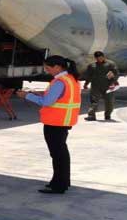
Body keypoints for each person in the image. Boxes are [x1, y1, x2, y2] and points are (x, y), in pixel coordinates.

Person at [17, 55, 81, 194]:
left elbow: (47, 102)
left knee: (57, 155)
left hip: (55, 122)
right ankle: (62, 181)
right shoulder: (70, 79)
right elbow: (54, 96)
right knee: (61, 153)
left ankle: (58, 185)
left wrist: (26, 96)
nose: (47, 71)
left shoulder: (59, 82)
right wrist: (37, 92)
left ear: (57, 67)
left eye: (48, 68)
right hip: (63, 121)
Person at [83, 51, 119, 121]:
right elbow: (89, 76)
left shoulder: (110, 64)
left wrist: (113, 82)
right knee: (94, 102)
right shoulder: (92, 66)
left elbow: (116, 74)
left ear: (103, 56)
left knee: (109, 102)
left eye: (101, 58)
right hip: (96, 86)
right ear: (95, 58)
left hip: (108, 86)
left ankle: (107, 115)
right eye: (98, 58)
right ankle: (91, 115)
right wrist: (86, 84)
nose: (100, 59)